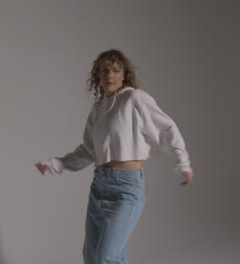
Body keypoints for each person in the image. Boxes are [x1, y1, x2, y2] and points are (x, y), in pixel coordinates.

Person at [34, 49, 194, 264]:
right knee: (91, 257)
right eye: (104, 71)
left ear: (124, 74)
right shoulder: (98, 109)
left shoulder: (135, 98)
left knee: (107, 257)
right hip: (99, 186)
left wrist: (182, 162)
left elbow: (167, 129)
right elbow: (89, 150)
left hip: (127, 188)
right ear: (97, 76)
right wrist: (56, 164)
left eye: (115, 70)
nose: (109, 75)